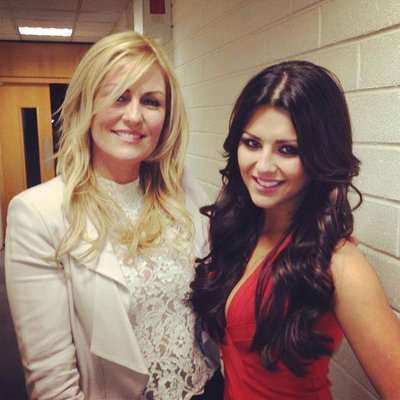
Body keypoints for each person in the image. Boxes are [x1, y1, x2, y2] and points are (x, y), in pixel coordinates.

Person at [5, 31, 221, 400]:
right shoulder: (39, 213)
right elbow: (53, 384)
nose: (134, 116)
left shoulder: (183, 190)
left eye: (151, 101)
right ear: (86, 105)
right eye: (118, 96)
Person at [191, 60, 400, 399]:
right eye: (252, 143)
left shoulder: (339, 262)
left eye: (288, 150)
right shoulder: (240, 228)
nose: (263, 166)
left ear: (320, 156)